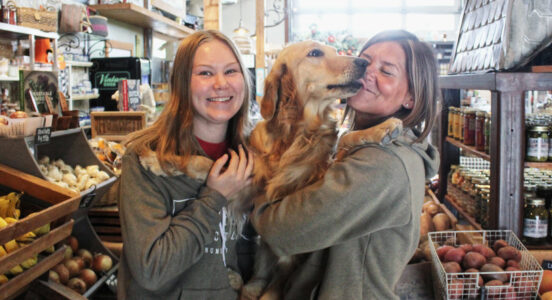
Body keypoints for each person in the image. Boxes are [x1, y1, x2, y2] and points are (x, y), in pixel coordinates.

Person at [250, 29, 440, 300]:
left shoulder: (383, 164)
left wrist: (252, 195)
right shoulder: (366, 144)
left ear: (411, 97)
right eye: (365, 59)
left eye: (386, 71)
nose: (366, 70)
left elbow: (279, 231)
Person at [117, 30, 254, 299]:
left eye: (231, 71)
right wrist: (214, 198)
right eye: (205, 73)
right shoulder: (145, 159)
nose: (221, 83)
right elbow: (151, 270)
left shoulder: (252, 156)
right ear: (182, 83)